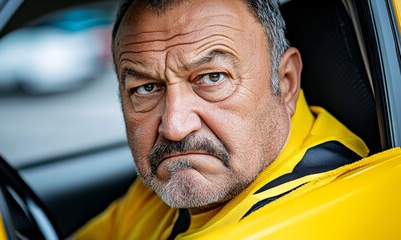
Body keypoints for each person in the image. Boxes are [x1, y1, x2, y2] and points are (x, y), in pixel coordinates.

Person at [74, 0, 369, 239]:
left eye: (213, 77)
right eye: (146, 88)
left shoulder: (320, 215)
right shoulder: (175, 175)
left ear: (286, 81)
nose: (174, 128)